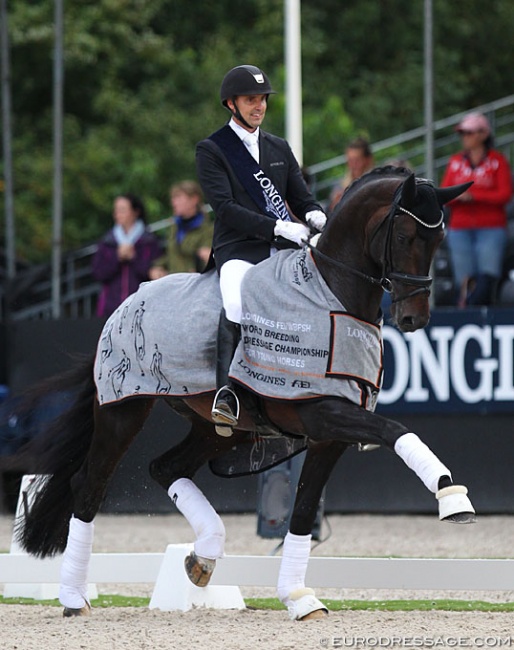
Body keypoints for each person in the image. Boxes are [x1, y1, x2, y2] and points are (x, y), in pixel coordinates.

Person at [196, 64, 327, 428]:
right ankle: (227, 394)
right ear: (231, 103)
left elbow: (302, 198)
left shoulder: (279, 147)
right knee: (236, 301)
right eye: (251, 100)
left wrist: (317, 217)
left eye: (262, 99)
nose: (259, 106)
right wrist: (279, 227)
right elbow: (225, 208)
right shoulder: (212, 149)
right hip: (237, 248)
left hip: (282, 250)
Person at [440, 112, 513, 306]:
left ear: (483, 134)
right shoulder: (455, 161)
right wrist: (460, 197)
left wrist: (474, 196)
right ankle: (466, 313)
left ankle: (479, 314)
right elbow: (445, 193)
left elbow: (505, 194)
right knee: (463, 279)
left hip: (491, 227)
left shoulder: (498, 161)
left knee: (487, 275)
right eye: (463, 133)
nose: (465, 137)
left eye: (469, 133)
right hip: (460, 227)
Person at [92, 193, 162, 318]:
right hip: (111, 308)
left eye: (122, 210)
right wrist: (117, 258)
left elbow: (155, 274)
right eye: (116, 210)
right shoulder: (108, 241)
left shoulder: (149, 241)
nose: (117, 214)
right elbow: (98, 273)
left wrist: (134, 258)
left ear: (135, 212)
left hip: (141, 309)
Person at [149, 180, 213, 278]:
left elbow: (209, 260)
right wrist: (157, 267)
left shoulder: (208, 229)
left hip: (195, 283)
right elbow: (170, 254)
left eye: (178, 198)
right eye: (173, 198)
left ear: (194, 199)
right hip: (174, 283)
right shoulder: (174, 227)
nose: (173, 203)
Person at [328, 136, 374, 212]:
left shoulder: (376, 183)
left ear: (367, 160)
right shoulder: (340, 187)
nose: (353, 165)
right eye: (350, 160)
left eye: (357, 160)